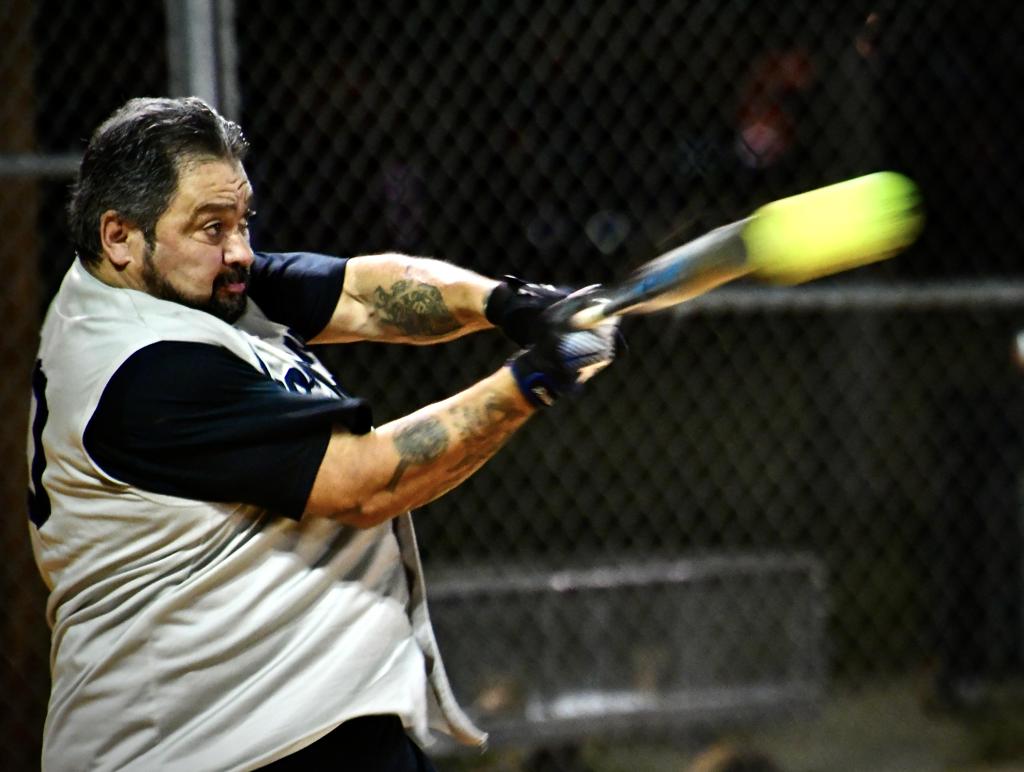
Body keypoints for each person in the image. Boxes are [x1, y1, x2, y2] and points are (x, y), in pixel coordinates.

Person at [26, 96, 621, 771]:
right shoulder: (143, 369)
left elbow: (361, 293)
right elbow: (362, 484)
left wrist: (509, 303)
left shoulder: (178, 286)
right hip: (207, 745)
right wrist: (532, 381)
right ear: (119, 236)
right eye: (212, 227)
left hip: (291, 717)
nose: (241, 251)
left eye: (243, 221)